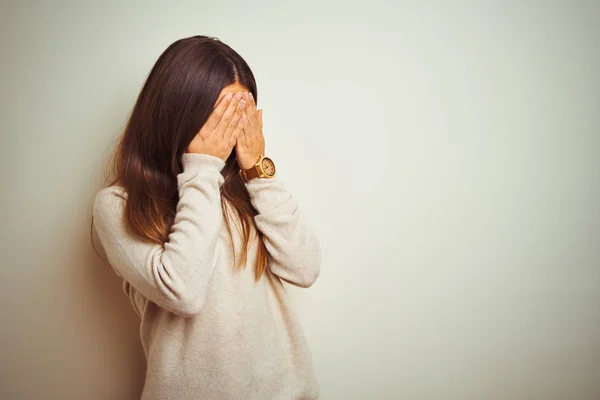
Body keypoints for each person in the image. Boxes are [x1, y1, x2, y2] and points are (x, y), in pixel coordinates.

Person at [91, 35, 322, 400]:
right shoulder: (118, 206)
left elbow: (305, 267)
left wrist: (258, 172)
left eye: (240, 113)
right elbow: (183, 292)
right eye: (221, 115)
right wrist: (201, 167)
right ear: (178, 111)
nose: (231, 128)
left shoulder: (244, 189)